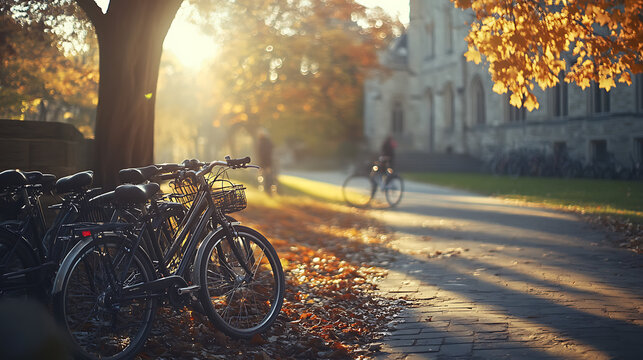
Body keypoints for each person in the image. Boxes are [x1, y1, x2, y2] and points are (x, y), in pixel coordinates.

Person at [256, 128, 276, 194]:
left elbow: (265, 154)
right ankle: (267, 191)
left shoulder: (264, 143)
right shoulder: (266, 142)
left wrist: (266, 164)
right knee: (267, 177)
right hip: (266, 163)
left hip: (266, 163)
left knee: (267, 178)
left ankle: (268, 191)